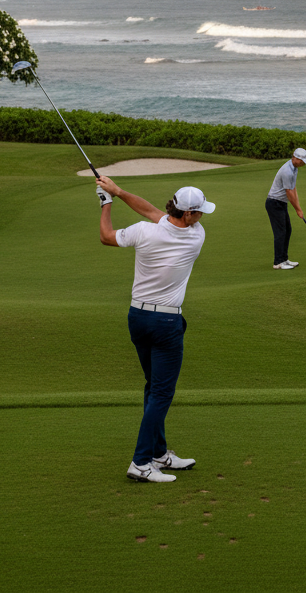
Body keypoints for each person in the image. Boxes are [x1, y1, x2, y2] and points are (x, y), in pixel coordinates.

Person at [98, 177, 215, 483]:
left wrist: (109, 200)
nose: (202, 216)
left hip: (137, 317)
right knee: (162, 392)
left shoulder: (143, 231)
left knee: (153, 387)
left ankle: (158, 453)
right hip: (166, 324)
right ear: (187, 215)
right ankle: (140, 462)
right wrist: (118, 192)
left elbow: (107, 236)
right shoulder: (195, 236)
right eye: (199, 211)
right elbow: (152, 213)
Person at [265, 147, 306, 269]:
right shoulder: (287, 171)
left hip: (280, 203)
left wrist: (299, 207)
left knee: (287, 230)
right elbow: (289, 193)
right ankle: (278, 262)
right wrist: (297, 209)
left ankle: (284, 259)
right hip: (274, 203)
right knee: (280, 233)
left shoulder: (294, 168)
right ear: (295, 158)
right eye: (302, 161)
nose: (303, 164)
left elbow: (293, 188)